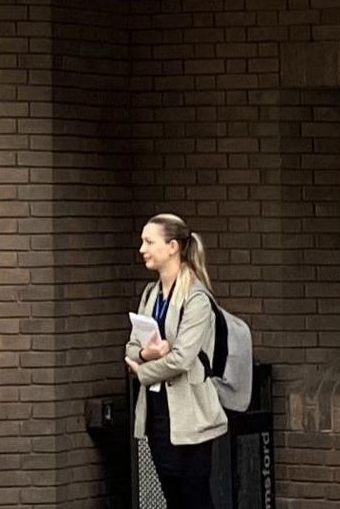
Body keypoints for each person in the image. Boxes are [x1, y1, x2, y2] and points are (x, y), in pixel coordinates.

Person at [124, 214, 227, 509]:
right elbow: (132, 347)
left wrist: (143, 371)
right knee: (173, 498)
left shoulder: (195, 297)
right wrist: (146, 355)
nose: (142, 248)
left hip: (190, 415)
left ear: (172, 247)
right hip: (157, 414)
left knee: (195, 498)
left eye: (149, 242)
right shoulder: (150, 294)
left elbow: (183, 358)